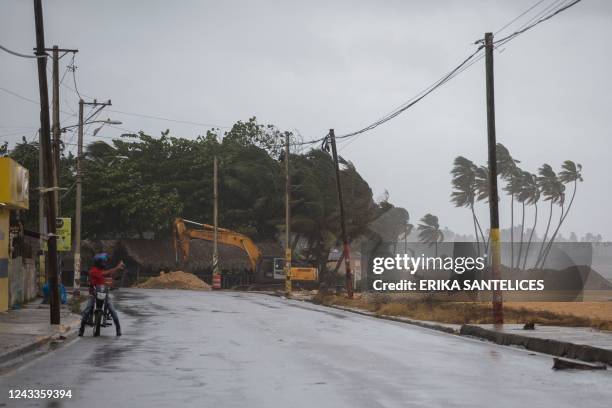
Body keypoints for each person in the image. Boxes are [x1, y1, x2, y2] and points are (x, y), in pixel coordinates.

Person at [78, 253, 125, 336]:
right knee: (87, 310)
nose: (104, 263)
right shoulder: (93, 271)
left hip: (104, 294)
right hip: (94, 294)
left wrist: (114, 282)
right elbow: (105, 273)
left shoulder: (101, 271)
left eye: (104, 262)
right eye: (103, 262)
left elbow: (110, 275)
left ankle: (118, 329)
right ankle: (81, 330)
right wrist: (117, 267)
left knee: (112, 310)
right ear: (99, 262)